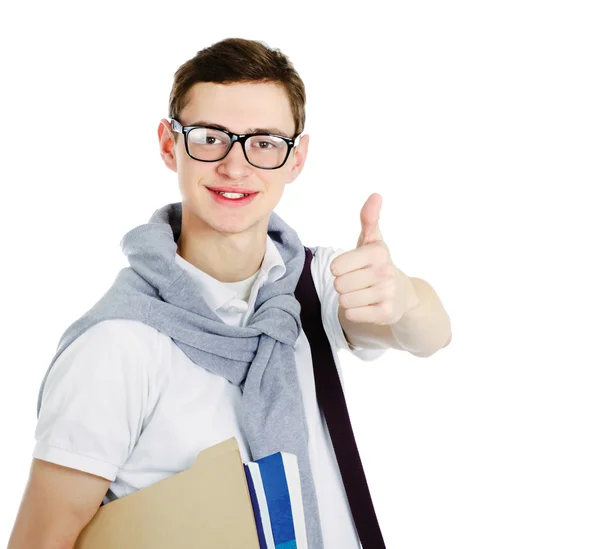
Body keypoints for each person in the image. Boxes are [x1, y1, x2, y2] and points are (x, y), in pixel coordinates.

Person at [8, 38, 452, 549]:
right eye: (210, 137)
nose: (236, 167)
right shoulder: (117, 345)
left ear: (297, 158)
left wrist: (406, 299)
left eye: (264, 142)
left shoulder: (312, 287)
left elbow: (432, 336)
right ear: (169, 144)